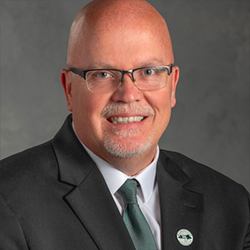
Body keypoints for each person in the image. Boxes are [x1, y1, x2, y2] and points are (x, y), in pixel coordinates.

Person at [0, 0, 249, 249]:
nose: (128, 94)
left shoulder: (232, 205)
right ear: (69, 90)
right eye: (103, 74)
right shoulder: (8, 201)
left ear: (172, 85)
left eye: (149, 72)